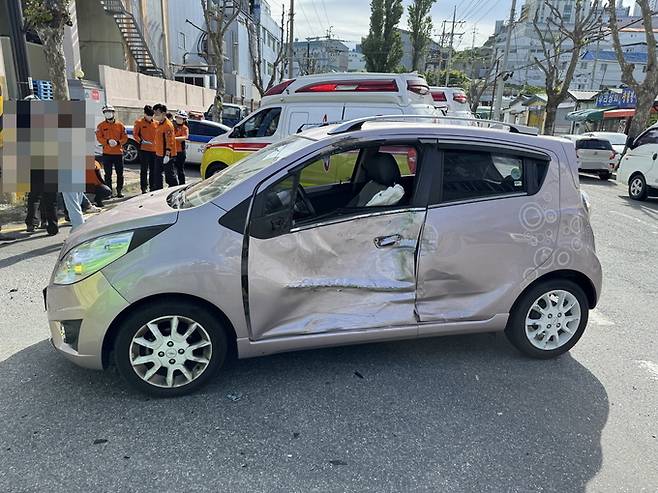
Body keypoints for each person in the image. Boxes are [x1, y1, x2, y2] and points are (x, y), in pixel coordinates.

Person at [95, 104, 128, 197]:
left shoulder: (120, 125)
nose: (108, 114)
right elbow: (99, 137)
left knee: (120, 174)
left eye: (109, 112)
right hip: (107, 154)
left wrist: (118, 142)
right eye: (105, 112)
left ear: (113, 113)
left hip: (118, 153)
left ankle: (119, 191)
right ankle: (109, 192)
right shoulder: (101, 126)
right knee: (107, 174)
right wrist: (107, 141)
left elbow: (125, 138)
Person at [152, 103, 177, 190]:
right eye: (154, 113)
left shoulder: (168, 125)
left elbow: (169, 141)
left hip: (166, 154)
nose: (155, 116)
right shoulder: (159, 124)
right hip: (158, 153)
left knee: (169, 175)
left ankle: (174, 189)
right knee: (157, 174)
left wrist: (167, 154)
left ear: (163, 113)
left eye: (157, 114)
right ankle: (158, 190)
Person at [133, 105, 157, 193]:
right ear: (145, 114)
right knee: (144, 170)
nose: (150, 117)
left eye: (151, 115)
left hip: (154, 150)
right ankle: (144, 188)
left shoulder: (156, 123)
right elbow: (135, 134)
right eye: (148, 115)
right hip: (144, 149)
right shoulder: (139, 122)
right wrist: (141, 141)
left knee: (153, 170)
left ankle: (152, 186)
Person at [173, 110, 189, 185]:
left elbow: (185, 137)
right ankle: (173, 184)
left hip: (180, 151)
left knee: (180, 170)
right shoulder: (172, 126)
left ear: (184, 120)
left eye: (181, 118)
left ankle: (182, 184)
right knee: (170, 169)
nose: (179, 119)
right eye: (178, 118)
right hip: (172, 150)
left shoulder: (185, 128)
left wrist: (174, 138)